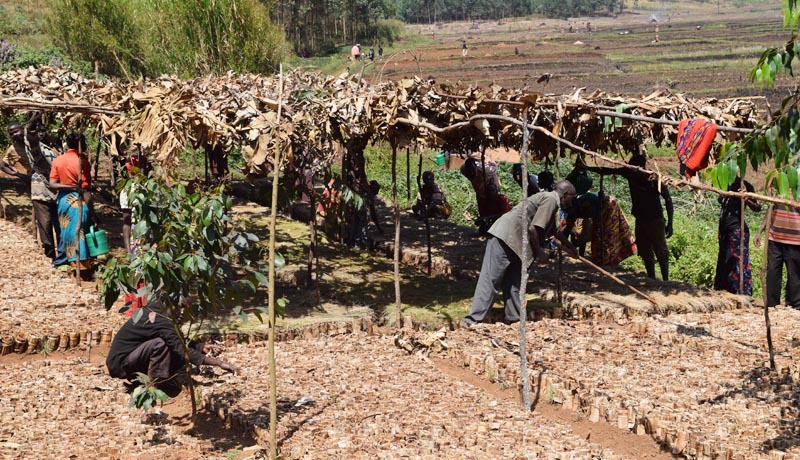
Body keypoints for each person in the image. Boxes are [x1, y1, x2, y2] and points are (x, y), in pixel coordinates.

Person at [461, 180, 578, 326]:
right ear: (565, 194)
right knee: (490, 280)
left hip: (517, 242)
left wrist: (570, 246)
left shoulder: (551, 202)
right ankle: (471, 321)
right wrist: (539, 253)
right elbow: (533, 229)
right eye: (571, 198)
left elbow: (553, 231)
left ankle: (514, 320)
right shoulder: (550, 200)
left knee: (514, 283)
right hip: (505, 237)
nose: (571, 203)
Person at [106, 298, 241, 397]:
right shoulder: (160, 319)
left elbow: (175, 338)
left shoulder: (158, 310)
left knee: (165, 344)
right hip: (121, 363)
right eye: (180, 306)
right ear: (170, 302)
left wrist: (200, 346)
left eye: (185, 308)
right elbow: (179, 348)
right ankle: (156, 385)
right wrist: (220, 363)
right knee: (161, 345)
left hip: (131, 357)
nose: (182, 312)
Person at [588, 152, 674, 280]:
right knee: (645, 250)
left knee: (660, 250)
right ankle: (651, 278)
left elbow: (668, 200)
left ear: (641, 166)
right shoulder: (630, 173)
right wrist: (587, 168)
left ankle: (665, 280)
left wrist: (670, 223)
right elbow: (607, 170)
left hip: (655, 220)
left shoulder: (654, 179)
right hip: (640, 219)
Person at [2, 118, 61, 261]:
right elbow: (3, 165)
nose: (15, 135)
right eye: (11, 133)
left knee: (58, 220)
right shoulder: (13, 149)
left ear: (22, 130)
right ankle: (50, 253)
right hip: (37, 184)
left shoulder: (37, 141)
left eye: (16, 131)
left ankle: (63, 252)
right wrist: (19, 175)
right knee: (45, 222)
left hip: (56, 183)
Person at [48, 132, 93, 265]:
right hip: (79, 200)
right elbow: (85, 188)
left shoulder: (58, 160)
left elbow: (52, 184)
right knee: (81, 231)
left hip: (63, 201)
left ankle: (71, 261)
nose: (85, 145)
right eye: (84, 143)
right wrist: (92, 210)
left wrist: (68, 187)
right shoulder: (83, 161)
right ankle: (83, 263)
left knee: (68, 232)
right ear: (80, 144)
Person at [755, 185, 800, 308]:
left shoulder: (798, 189)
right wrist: (760, 230)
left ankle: (795, 304)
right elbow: (770, 209)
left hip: (795, 239)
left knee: (794, 274)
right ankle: (772, 304)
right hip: (775, 237)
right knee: (773, 272)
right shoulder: (778, 187)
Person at [713, 178, 761, 295]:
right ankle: (724, 290)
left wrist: (746, 199)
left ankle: (742, 291)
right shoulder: (723, 181)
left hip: (737, 229)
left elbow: (757, 207)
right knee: (724, 260)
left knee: (739, 261)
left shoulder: (745, 185)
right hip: (724, 229)